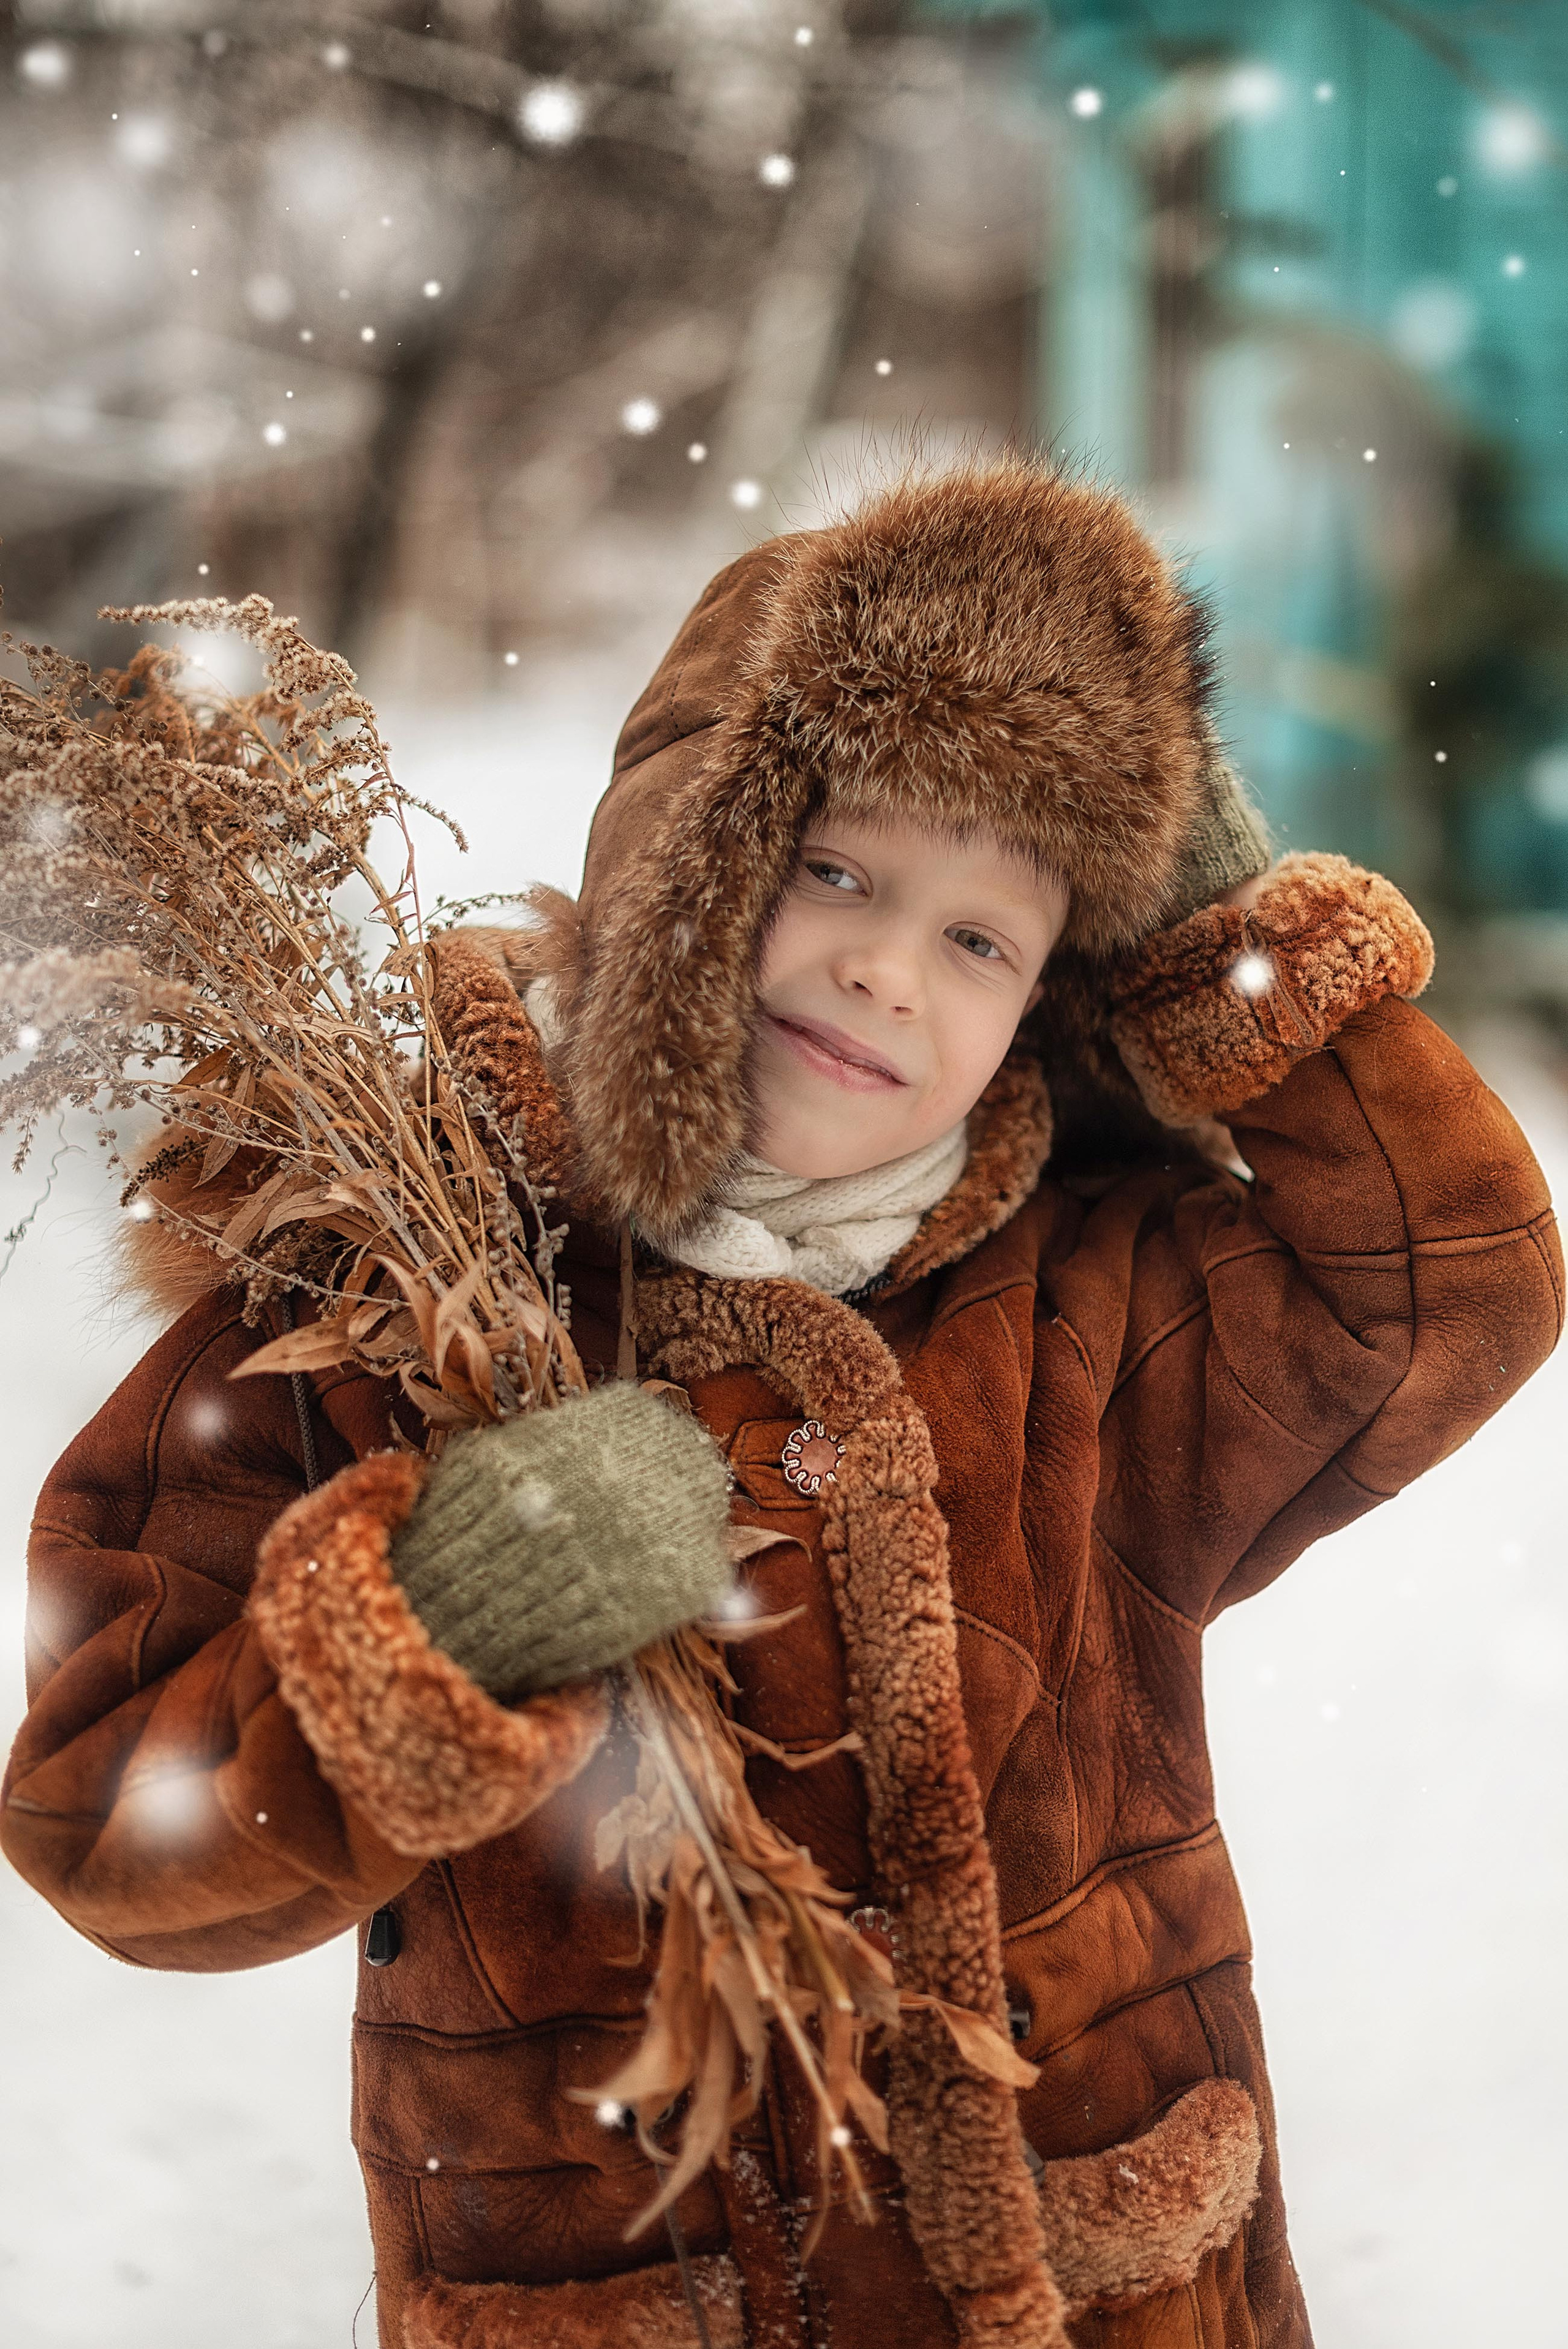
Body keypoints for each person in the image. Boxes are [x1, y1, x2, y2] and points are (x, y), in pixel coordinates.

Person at [3, 460, 1560, 2349]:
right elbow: (108, 1826)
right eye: (836, 870)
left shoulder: (1081, 1305)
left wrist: (1228, 937)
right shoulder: (382, 1286)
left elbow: (1453, 1288)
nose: (887, 970)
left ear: (1050, 992)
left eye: (983, 937)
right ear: (690, 858)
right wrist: (439, 1620)